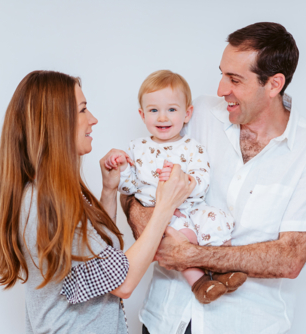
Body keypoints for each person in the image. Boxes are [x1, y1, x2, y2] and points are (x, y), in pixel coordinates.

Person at [122, 22, 306, 334]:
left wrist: (192, 254)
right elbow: (137, 182)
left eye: (234, 79)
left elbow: (290, 258)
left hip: (245, 324)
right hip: (165, 320)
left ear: (274, 84)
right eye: (222, 73)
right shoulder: (196, 116)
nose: (222, 88)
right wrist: (147, 222)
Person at [0, 70, 195, 334]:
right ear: (57, 122)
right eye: (83, 110)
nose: (93, 119)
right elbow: (122, 282)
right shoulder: (46, 201)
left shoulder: (48, 192)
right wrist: (165, 206)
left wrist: (108, 192)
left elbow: (95, 262)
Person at [104, 70, 247, 305]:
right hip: (162, 217)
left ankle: (225, 270)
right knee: (178, 241)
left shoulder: (192, 147)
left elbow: (202, 180)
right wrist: (121, 168)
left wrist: (184, 181)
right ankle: (200, 283)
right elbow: (129, 189)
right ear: (142, 115)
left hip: (191, 207)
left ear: (187, 113)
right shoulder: (137, 149)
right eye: (153, 110)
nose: (163, 118)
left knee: (216, 219)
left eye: (171, 109)